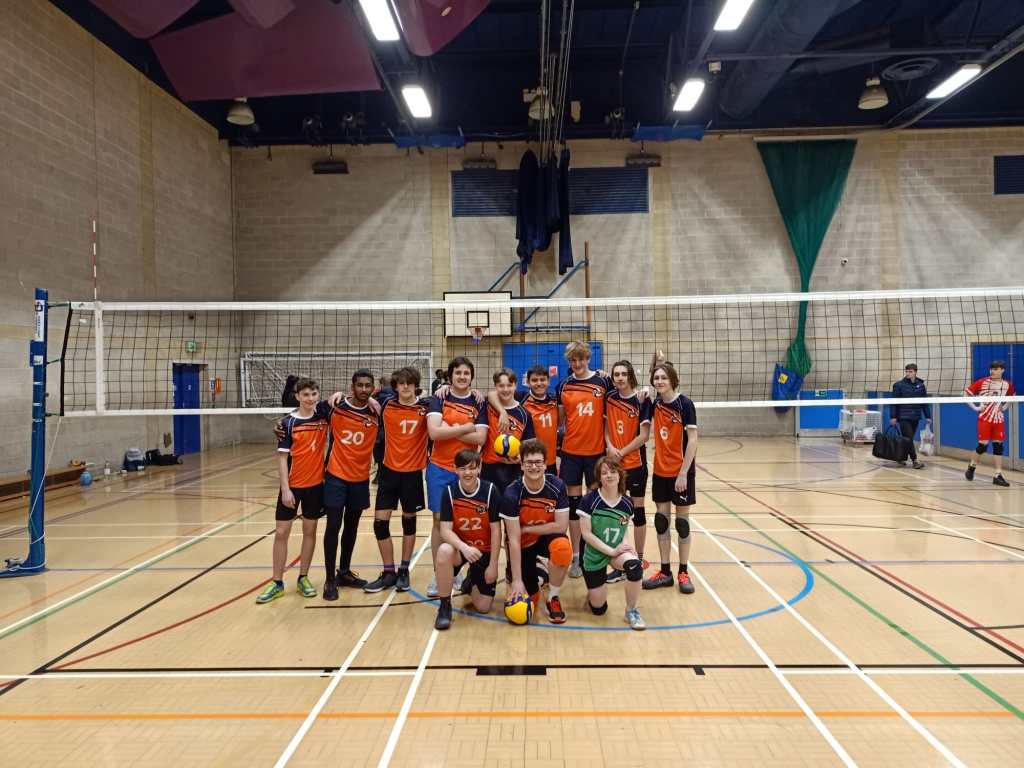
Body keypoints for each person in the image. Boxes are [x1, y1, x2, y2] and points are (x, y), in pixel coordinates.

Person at [434, 449, 526, 630]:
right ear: (455, 469)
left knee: (483, 607)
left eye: (471, 468)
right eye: (462, 469)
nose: (467, 473)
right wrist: (464, 547)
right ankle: (444, 606)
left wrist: (493, 565)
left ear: (479, 468)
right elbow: (445, 530)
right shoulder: (449, 493)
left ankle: (471, 581)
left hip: (483, 551)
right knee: (444, 550)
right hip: (461, 550)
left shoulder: (490, 491)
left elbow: (496, 530)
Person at [257, 378, 329, 604]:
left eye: (314, 394)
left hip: (316, 486)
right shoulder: (288, 424)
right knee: (281, 532)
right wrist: (285, 489)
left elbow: (341, 403)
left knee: (310, 531)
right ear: (297, 396)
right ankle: (277, 582)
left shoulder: (323, 417)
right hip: (292, 487)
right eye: (305, 394)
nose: (310, 398)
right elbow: (282, 459)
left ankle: (303, 578)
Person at [425, 357, 489, 597]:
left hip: (467, 471)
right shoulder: (439, 398)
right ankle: (439, 572)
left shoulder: (478, 401)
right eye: (458, 373)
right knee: (439, 521)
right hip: (440, 468)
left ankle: (457, 570)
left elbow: (480, 438)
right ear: (450, 376)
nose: (462, 377)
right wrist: (465, 428)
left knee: (462, 521)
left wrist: (449, 428)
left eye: (466, 373)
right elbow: (434, 433)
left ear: (471, 377)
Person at [364, 367, 430, 593]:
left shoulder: (426, 407)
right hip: (388, 472)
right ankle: (388, 572)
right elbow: (360, 400)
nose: (405, 387)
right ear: (395, 386)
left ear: (415, 385)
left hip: (412, 474)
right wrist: (341, 396)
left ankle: (403, 570)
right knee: (379, 523)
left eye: (409, 383)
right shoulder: (385, 405)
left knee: (408, 521)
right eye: (401, 383)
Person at [320, 369, 379, 599]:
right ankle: (329, 580)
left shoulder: (377, 411)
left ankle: (344, 572)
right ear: (352, 387)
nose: (364, 389)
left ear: (373, 388)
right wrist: (282, 425)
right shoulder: (335, 407)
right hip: (335, 476)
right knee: (333, 526)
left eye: (367, 386)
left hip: (360, 479)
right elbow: (306, 411)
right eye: (360, 385)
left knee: (352, 527)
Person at [556, 341, 613, 578]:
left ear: (588, 359)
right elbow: (560, 421)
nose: (577, 363)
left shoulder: (603, 382)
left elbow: (622, 396)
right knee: (573, 506)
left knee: (592, 505)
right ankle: (577, 556)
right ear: (569, 362)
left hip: (595, 453)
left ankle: (593, 551)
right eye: (573, 360)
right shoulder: (563, 385)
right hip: (571, 452)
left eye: (581, 359)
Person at [643, 361, 698, 595]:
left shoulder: (685, 404)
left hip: (681, 473)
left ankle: (683, 572)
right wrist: (643, 393)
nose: (660, 381)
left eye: (664, 378)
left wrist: (683, 473)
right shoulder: (655, 403)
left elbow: (693, 440)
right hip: (660, 471)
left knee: (682, 524)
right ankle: (665, 572)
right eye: (656, 378)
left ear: (673, 380)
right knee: (662, 521)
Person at [504, 439, 572, 623]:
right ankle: (535, 573)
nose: (534, 467)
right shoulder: (512, 493)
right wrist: (517, 580)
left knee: (562, 549)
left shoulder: (557, 486)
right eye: (529, 462)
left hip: (544, 537)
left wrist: (528, 528)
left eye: (538, 462)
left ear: (545, 464)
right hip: (523, 542)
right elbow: (513, 539)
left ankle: (553, 597)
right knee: (530, 601)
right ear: (521, 464)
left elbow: (561, 526)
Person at [578, 457, 646, 631]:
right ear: (599, 477)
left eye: (613, 471)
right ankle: (595, 591)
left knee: (634, 566)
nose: (609, 475)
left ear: (620, 475)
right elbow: (586, 535)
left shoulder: (627, 503)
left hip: (616, 550)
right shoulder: (589, 500)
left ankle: (631, 610)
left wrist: (626, 545)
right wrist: (611, 551)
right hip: (593, 553)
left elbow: (623, 529)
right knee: (599, 609)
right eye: (604, 472)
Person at [603, 360, 652, 582]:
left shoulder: (642, 400)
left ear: (630, 376)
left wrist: (621, 452)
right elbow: (606, 428)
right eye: (616, 374)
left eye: (624, 374)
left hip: (635, 464)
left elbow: (644, 436)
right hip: (615, 465)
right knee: (618, 513)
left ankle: (638, 559)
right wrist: (609, 446)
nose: (620, 378)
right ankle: (622, 561)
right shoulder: (610, 397)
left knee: (638, 512)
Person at [479, 368, 535, 493]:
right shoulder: (487, 406)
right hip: (489, 468)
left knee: (511, 503)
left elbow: (530, 445)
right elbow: (487, 394)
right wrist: (503, 412)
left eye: (509, 385)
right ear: (495, 386)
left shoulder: (524, 414)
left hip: (513, 470)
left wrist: (520, 457)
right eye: (501, 386)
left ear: (515, 385)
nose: (505, 389)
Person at [964, 360, 1015, 487]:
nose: (993, 371)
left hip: (998, 420)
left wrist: (1005, 407)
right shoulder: (982, 382)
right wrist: (976, 407)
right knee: (983, 446)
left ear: (1002, 370)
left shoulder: (1007, 384)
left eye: (996, 369)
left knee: (998, 446)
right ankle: (972, 467)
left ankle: (998, 475)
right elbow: (966, 393)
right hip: (985, 419)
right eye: (992, 368)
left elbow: (1013, 395)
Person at [890, 363, 930, 469]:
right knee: (908, 438)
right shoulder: (898, 385)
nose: (908, 373)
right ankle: (915, 461)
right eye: (906, 371)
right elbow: (894, 402)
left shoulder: (921, 385)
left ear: (915, 372)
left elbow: (924, 402)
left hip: (915, 416)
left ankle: (900, 457)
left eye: (910, 371)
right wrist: (893, 417)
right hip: (903, 416)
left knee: (908, 439)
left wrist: (928, 416)